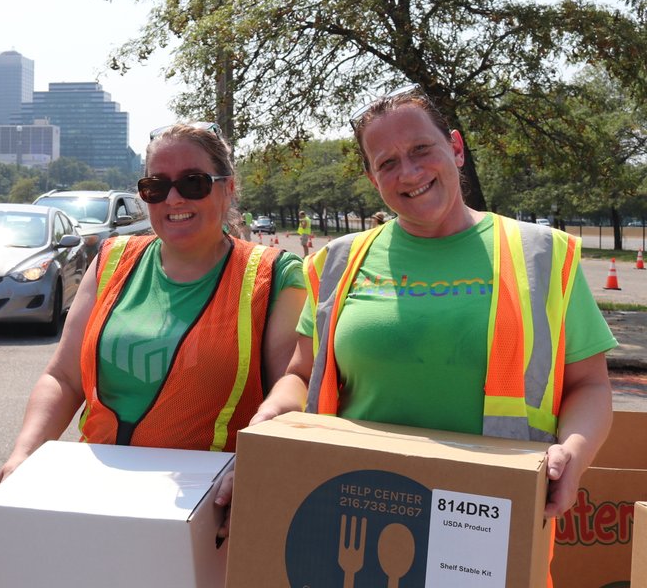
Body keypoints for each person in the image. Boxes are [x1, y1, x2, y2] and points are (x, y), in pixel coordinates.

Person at [255, 85, 616, 521]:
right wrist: (272, 414)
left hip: (493, 508)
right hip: (353, 502)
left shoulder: (544, 255)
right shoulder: (334, 263)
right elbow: (300, 374)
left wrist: (574, 453)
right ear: (372, 178)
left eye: (422, 149)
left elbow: (590, 386)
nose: (408, 173)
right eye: (387, 162)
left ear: (456, 148)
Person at [0, 122, 306, 539]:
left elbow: (296, 382)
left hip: (207, 511)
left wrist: (262, 457)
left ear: (227, 188)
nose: (173, 198)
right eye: (155, 186)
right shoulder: (111, 259)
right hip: (95, 495)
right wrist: (24, 454)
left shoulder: (272, 275)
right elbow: (63, 376)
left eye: (193, 183)